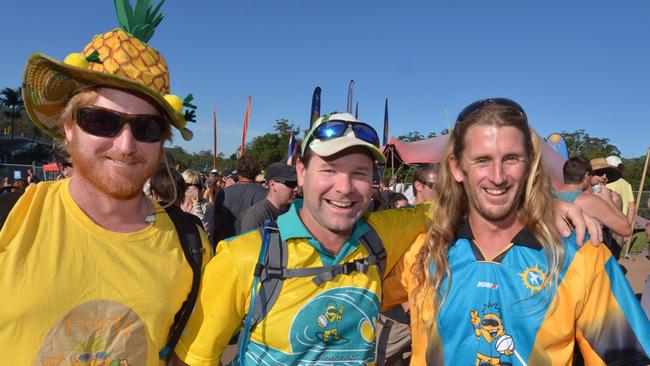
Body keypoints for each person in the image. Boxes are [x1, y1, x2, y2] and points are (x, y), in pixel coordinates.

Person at [170, 112, 596, 366]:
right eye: (329, 171)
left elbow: (454, 204)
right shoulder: (244, 256)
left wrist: (542, 204)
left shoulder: (379, 236)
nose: (344, 187)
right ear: (300, 174)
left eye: (359, 173)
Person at [0, 1, 211, 364]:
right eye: (100, 121)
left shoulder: (192, 245)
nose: (127, 145)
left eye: (147, 127)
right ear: (68, 126)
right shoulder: (11, 218)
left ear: (161, 140)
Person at [384, 98, 649, 365]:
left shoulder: (582, 257)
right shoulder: (423, 251)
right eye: (482, 160)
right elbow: (353, 291)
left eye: (511, 158)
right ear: (457, 168)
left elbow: (628, 358)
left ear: (529, 165)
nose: (497, 176)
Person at [555, 157, 631, 238]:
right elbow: (626, 230)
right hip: (580, 249)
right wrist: (608, 200)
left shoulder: (549, 197)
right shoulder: (589, 200)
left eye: (607, 174)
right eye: (599, 173)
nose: (604, 177)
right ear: (587, 176)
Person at [212, 155, 267, 244]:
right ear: (257, 171)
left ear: (237, 171)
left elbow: (217, 223)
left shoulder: (223, 193)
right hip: (255, 246)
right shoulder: (266, 194)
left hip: (229, 246)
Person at [239, 162, 298, 233]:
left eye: (296, 183)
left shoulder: (295, 210)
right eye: (291, 184)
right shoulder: (255, 216)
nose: (296, 189)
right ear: (273, 185)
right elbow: (248, 243)